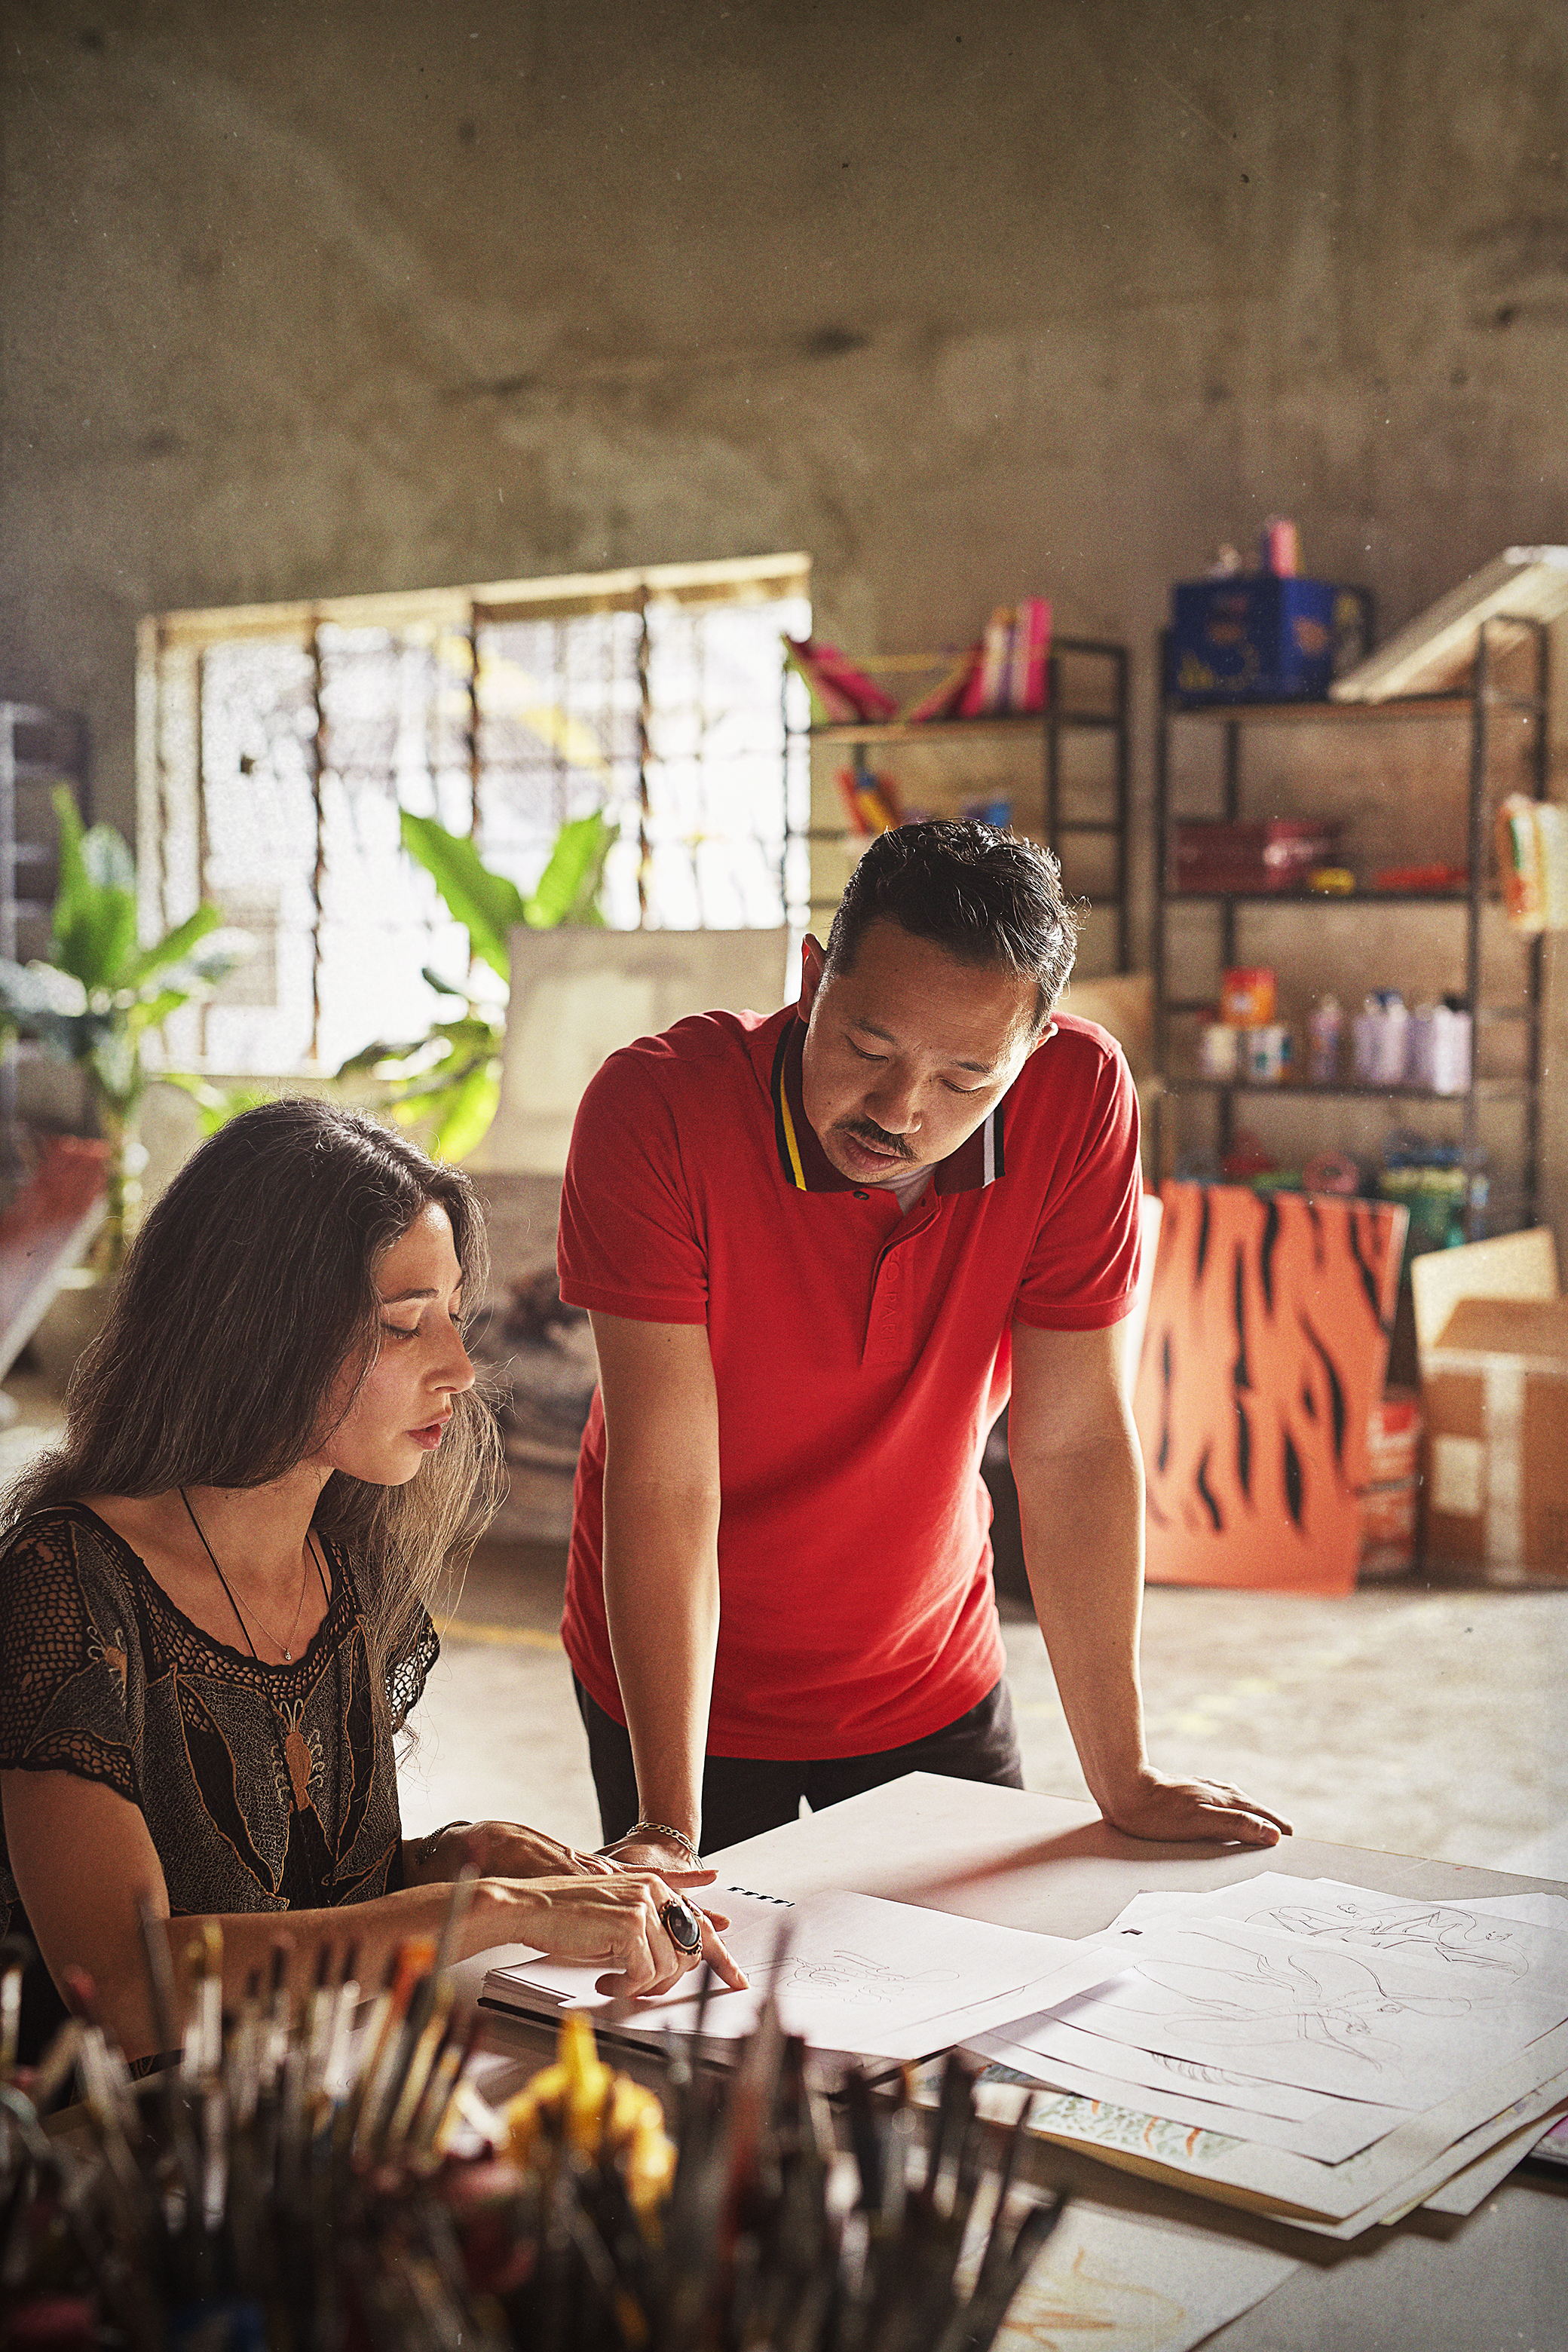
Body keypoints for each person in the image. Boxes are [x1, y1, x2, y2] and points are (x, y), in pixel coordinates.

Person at [558, 820, 1290, 1882]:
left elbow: (1077, 1441)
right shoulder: (658, 1109)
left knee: (978, 2018)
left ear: (1033, 1052)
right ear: (811, 982)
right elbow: (667, 1475)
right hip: (685, 1685)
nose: (901, 1111)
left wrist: (1122, 1775)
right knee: (718, 2031)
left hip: (926, 1662)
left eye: (964, 1078)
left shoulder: (1079, 1098)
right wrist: (671, 1824)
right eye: (868, 1048)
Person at [0, 1099, 742, 2068]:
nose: (460, 1368)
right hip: (140, 2170)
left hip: (323, 2111)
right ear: (263, 1330)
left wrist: (454, 1857)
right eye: (405, 1326)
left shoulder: (339, 1565)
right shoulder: (67, 1587)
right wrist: (485, 1911)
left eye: (454, 1318)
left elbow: (300, 1895)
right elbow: (130, 1991)